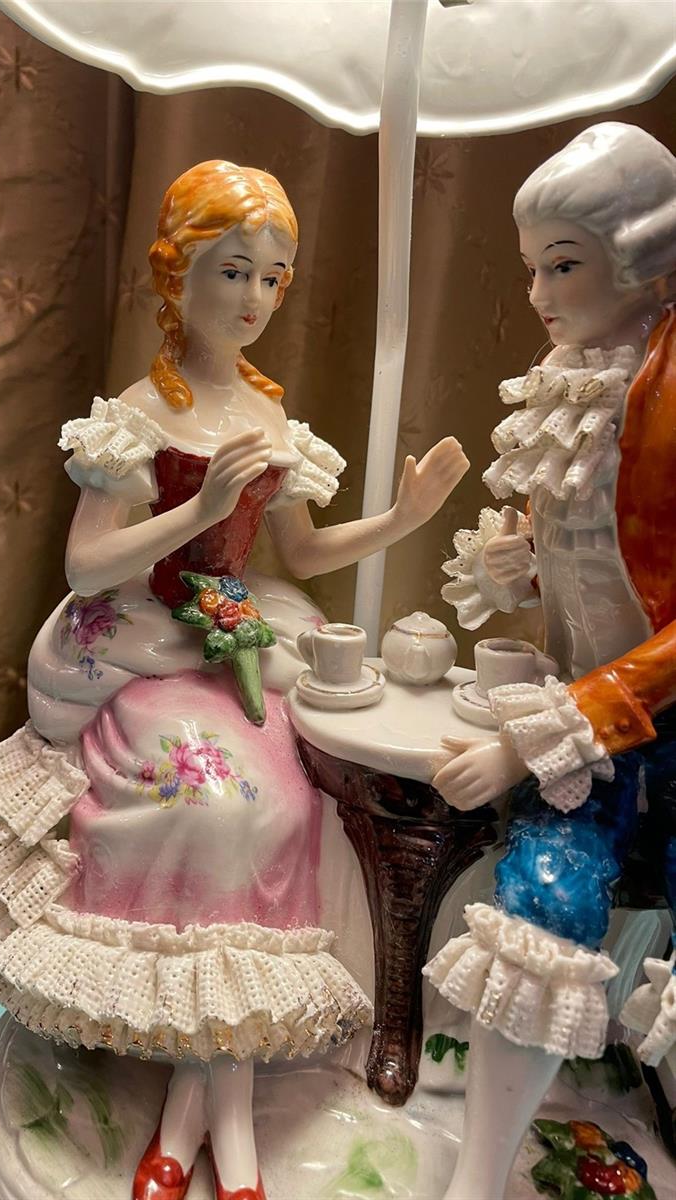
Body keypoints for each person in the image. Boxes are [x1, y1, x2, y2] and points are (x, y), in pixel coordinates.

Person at [0, 159, 468, 1200]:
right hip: (147, 639)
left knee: (288, 804)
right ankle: (221, 1135)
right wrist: (195, 513)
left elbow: (303, 552)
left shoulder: (274, 419)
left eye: (272, 278)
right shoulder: (137, 415)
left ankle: (200, 1121)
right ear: (175, 274)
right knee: (210, 802)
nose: (254, 299)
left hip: (236, 632)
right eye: (232, 271)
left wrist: (403, 518)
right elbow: (87, 564)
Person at [427, 123, 676, 1200]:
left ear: (644, 258)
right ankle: (478, 1178)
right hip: (588, 729)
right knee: (543, 896)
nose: (536, 294)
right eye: (532, 267)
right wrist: (520, 568)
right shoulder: (569, 380)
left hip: (643, 721)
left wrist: (539, 741)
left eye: (563, 266)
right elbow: (592, 560)